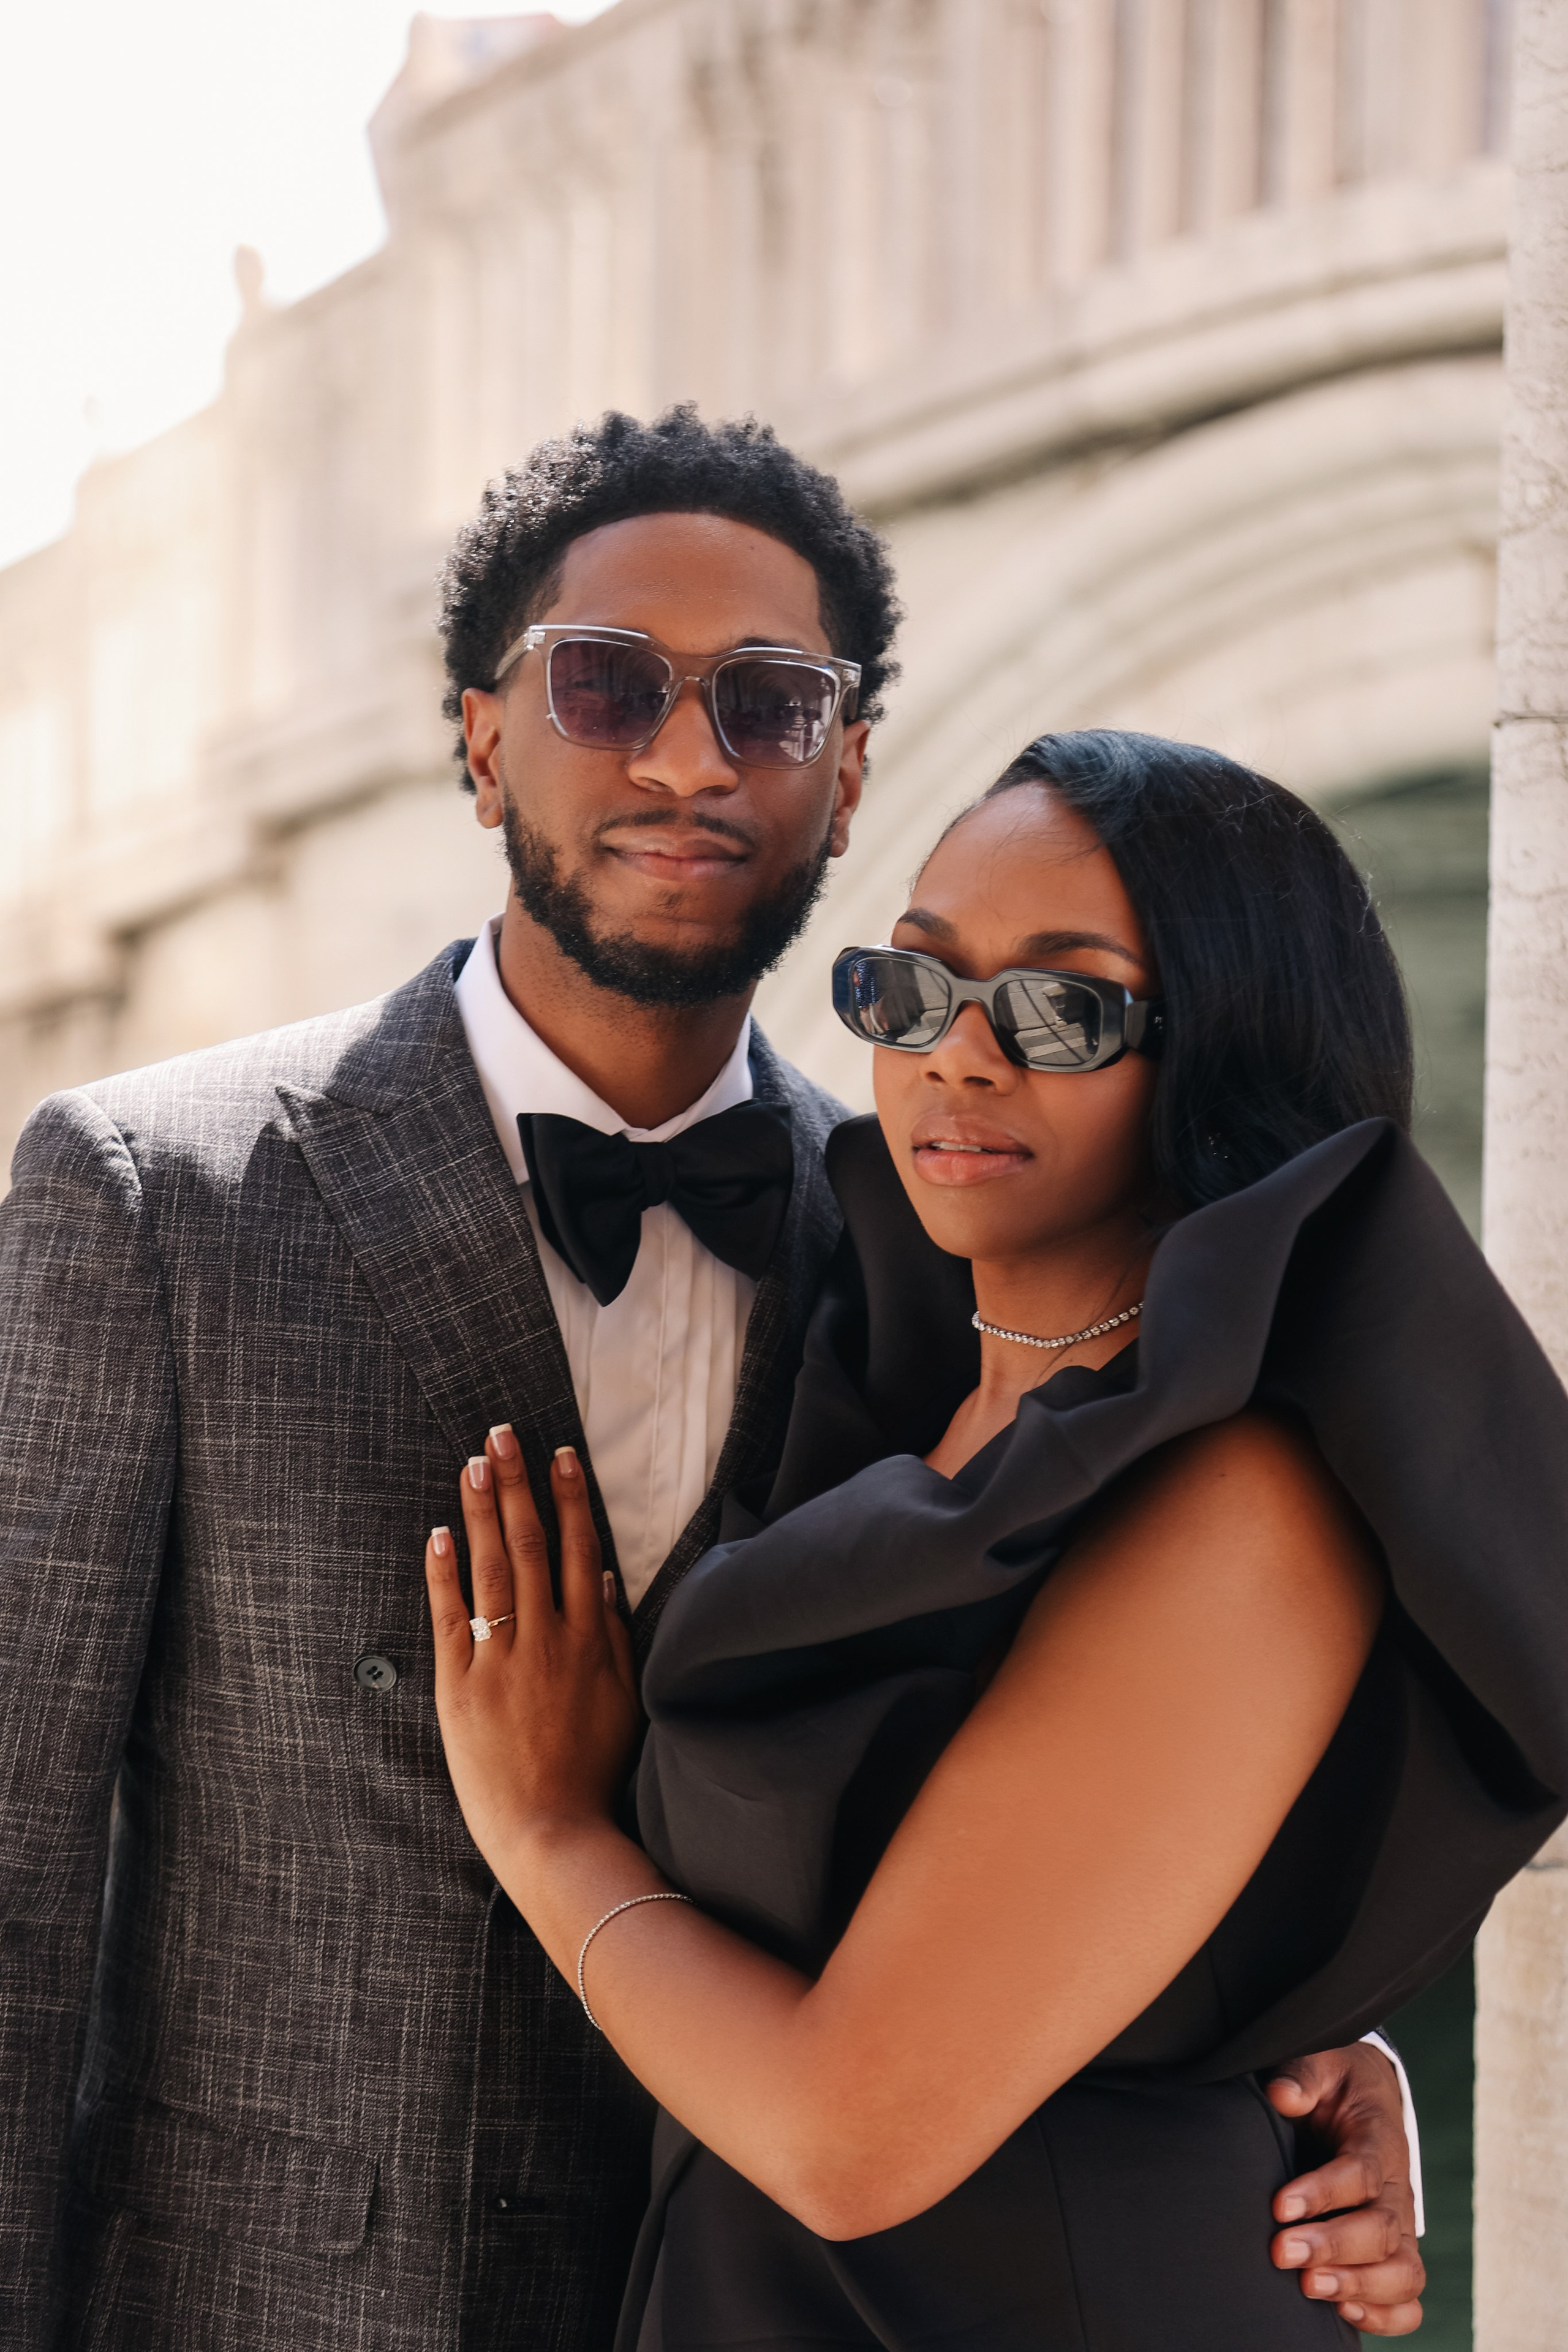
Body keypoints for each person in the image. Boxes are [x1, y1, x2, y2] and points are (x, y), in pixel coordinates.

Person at [0, 412, 1419, 2349]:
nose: (686, 757)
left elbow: (1055, 1784)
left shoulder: (944, 1250)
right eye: (608, 686)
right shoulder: (151, 1200)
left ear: (847, 780)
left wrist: (1284, 2064)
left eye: (769, 702)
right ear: (484, 737)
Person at [427, 726, 1568, 2346]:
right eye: (912, 989)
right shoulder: (871, 1381)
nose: (959, 1054)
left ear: (1229, 1055)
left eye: (1064, 1007)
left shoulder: (1241, 1499)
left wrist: (551, 1835)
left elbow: (849, 2130)